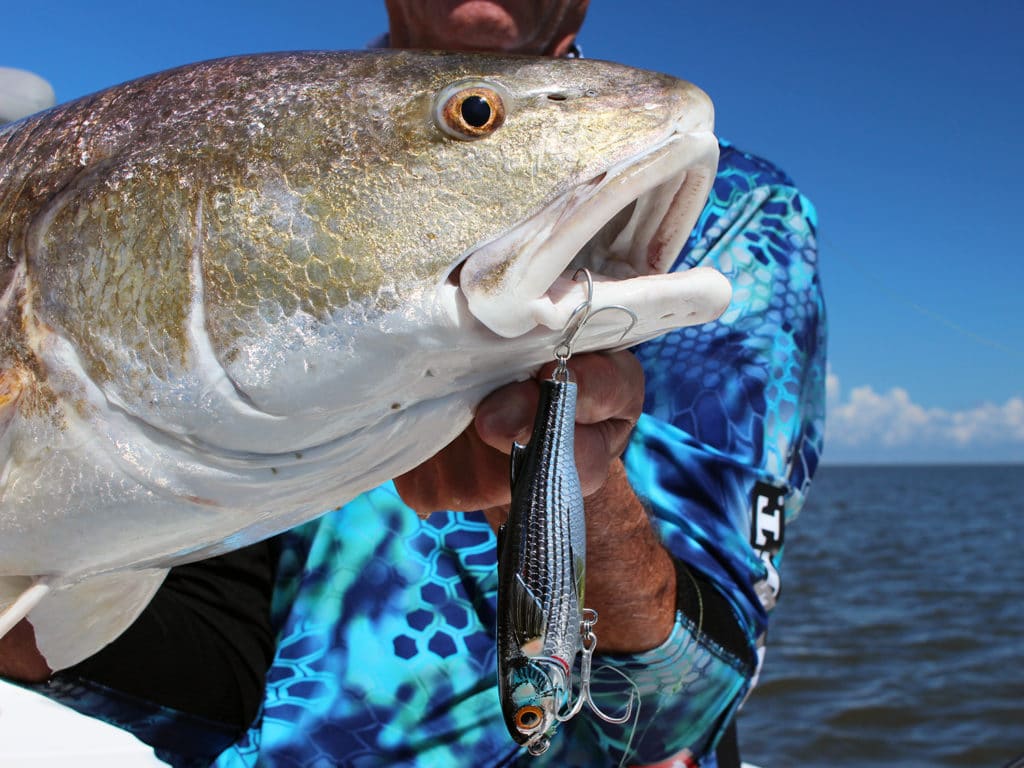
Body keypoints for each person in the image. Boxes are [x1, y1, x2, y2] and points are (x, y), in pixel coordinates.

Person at [0, 2, 826, 766]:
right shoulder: (241, 127)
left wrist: (563, 497)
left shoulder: (731, 214)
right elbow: (187, 635)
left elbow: (683, 705)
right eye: (474, 117)